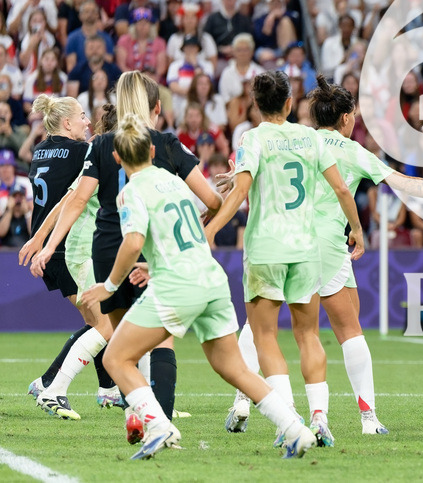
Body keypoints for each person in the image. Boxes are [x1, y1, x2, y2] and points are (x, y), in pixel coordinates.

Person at [226, 76, 423, 435]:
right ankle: (367, 419)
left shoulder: (295, 139)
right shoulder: (350, 151)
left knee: (261, 324)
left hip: (285, 240)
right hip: (326, 245)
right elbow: (406, 184)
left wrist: (232, 179)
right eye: (353, 114)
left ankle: (244, 401)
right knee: (348, 330)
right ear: (345, 119)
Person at [78, 111, 318, 460]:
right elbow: (189, 226)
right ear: (151, 152)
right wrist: (153, 262)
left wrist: (109, 286)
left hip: (179, 285)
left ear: (116, 157)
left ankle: (158, 425)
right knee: (233, 367)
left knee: (116, 357)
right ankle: (295, 429)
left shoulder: (129, 194)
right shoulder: (174, 181)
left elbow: (131, 242)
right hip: (211, 278)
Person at [26, 71, 224, 443]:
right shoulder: (165, 144)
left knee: (119, 340)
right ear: (157, 107)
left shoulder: (101, 145)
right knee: (156, 337)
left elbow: (78, 199)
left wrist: (48, 245)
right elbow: (212, 200)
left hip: (105, 248)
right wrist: (204, 224)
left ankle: (137, 411)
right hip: (150, 248)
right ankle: (155, 420)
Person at [204, 71, 365, 448]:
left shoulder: (253, 138)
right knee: (308, 334)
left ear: (255, 106)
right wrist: (355, 227)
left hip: (266, 251)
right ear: (290, 104)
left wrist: (210, 231)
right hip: (306, 251)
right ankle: (320, 419)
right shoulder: (310, 137)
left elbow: (241, 189)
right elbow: (341, 187)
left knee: (265, 336)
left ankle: (289, 421)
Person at [18, 95, 113, 420]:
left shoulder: (40, 151)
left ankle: (108, 390)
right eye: (83, 116)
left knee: (97, 322)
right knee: (103, 323)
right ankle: (49, 385)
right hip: (65, 247)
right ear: (68, 123)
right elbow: (74, 197)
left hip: (49, 246)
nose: (88, 122)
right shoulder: (80, 151)